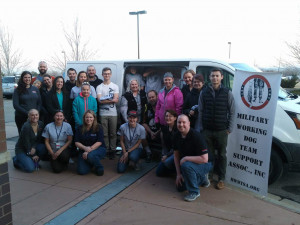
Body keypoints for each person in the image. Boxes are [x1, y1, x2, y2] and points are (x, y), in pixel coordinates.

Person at [197, 68, 235, 190]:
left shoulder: (227, 92)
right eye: (213, 76)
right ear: (210, 77)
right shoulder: (204, 92)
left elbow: (232, 111)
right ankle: (209, 176)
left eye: (217, 76)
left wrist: (229, 128)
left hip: (221, 130)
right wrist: (201, 127)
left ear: (221, 77)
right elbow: (200, 110)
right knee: (209, 155)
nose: (215, 78)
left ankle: (221, 179)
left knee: (222, 155)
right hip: (207, 130)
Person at [174, 114, 212, 202]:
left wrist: (186, 158)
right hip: (192, 163)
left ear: (189, 123)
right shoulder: (176, 136)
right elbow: (176, 156)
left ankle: (194, 192)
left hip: (206, 163)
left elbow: (204, 159)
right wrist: (178, 174)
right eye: (179, 122)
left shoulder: (196, 136)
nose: (181, 124)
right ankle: (202, 178)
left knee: (186, 165)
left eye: (184, 122)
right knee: (180, 188)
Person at [96, 67, 119, 159]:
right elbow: (99, 101)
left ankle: (112, 150)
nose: (107, 75)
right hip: (103, 113)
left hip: (113, 113)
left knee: (113, 133)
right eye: (105, 73)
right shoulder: (99, 87)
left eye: (108, 73)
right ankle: (106, 150)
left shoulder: (115, 86)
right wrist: (110, 100)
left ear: (111, 74)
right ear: (102, 75)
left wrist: (104, 99)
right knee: (104, 133)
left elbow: (116, 100)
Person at [75, 110, 106, 176]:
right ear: (84, 118)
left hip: (98, 148)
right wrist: (85, 148)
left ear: (94, 118)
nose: (89, 119)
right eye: (87, 117)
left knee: (90, 155)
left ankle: (99, 167)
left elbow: (99, 142)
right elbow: (76, 142)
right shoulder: (79, 128)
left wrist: (88, 150)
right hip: (84, 149)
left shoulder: (99, 127)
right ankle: (91, 163)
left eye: (90, 117)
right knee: (82, 171)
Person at [156, 110, 177, 177]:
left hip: (176, 153)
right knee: (158, 173)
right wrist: (164, 155)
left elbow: (176, 147)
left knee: (167, 162)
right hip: (168, 153)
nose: (168, 118)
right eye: (166, 116)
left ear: (175, 118)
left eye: (170, 116)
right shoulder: (164, 129)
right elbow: (164, 145)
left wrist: (167, 156)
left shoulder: (177, 130)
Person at [142, 90, 160, 162]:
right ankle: (148, 152)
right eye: (149, 97)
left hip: (159, 130)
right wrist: (151, 132)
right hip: (150, 131)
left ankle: (164, 153)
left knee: (164, 133)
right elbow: (143, 123)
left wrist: (157, 132)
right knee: (141, 131)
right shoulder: (146, 107)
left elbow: (165, 123)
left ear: (157, 96)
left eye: (153, 97)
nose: (151, 99)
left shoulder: (162, 106)